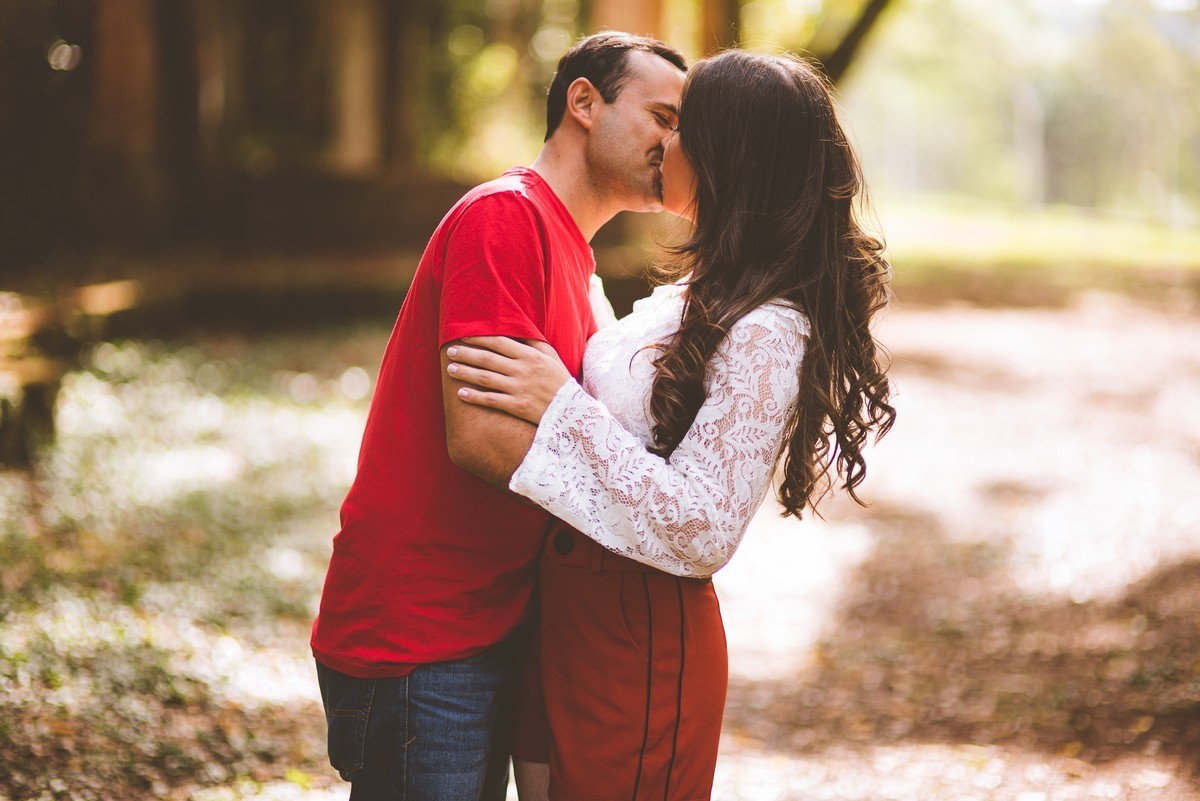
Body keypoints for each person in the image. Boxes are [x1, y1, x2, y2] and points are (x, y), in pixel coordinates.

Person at [445, 49, 897, 801]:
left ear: (729, 155)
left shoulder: (769, 330)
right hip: (562, 614)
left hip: (637, 636)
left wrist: (561, 406)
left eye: (685, 126)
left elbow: (703, 527)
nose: (666, 142)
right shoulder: (699, 291)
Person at [309, 32, 687, 800]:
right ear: (583, 102)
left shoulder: (573, 257)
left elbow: (552, 429)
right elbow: (480, 435)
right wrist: (632, 493)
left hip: (488, 624)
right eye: (661, 116)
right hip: (423, 632)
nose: (673, 144)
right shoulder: (505, 219)